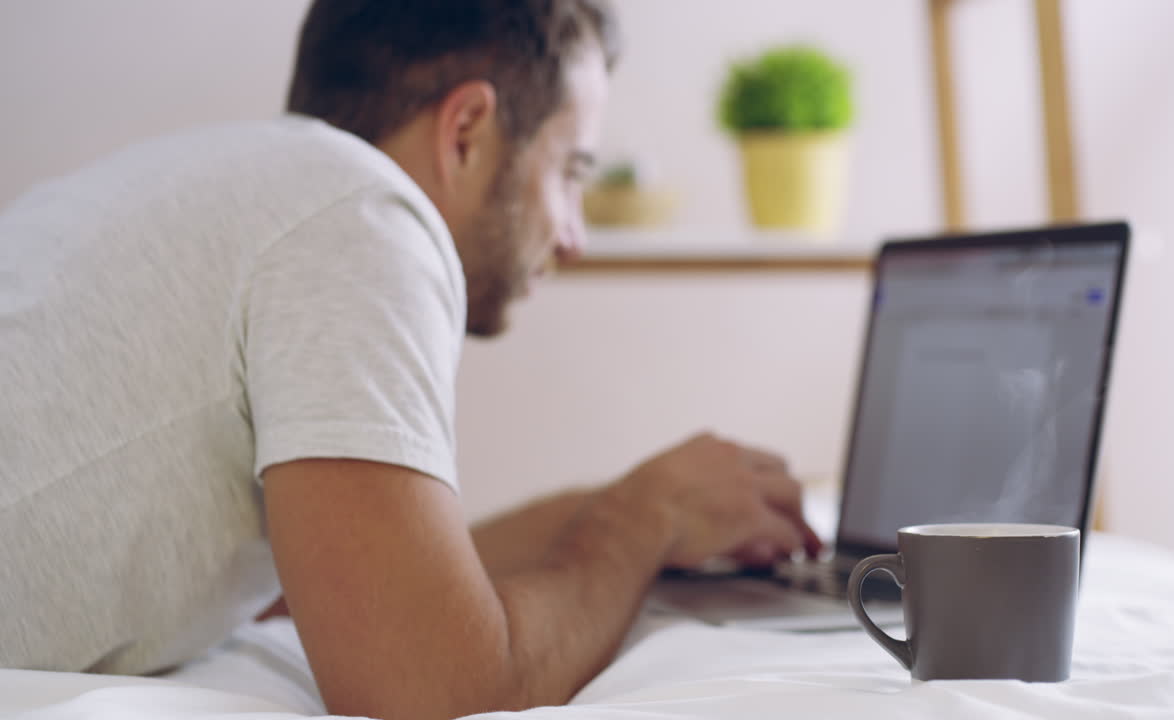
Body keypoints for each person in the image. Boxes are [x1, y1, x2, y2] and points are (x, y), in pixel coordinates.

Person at [0, 2, 821, 718]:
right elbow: (434, 693)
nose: (573, 236)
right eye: (570, 171)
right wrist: (647, 515)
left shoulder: (242, 184)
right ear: (465, 130)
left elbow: (343, 585)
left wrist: (622, 503)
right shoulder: (358, 211)